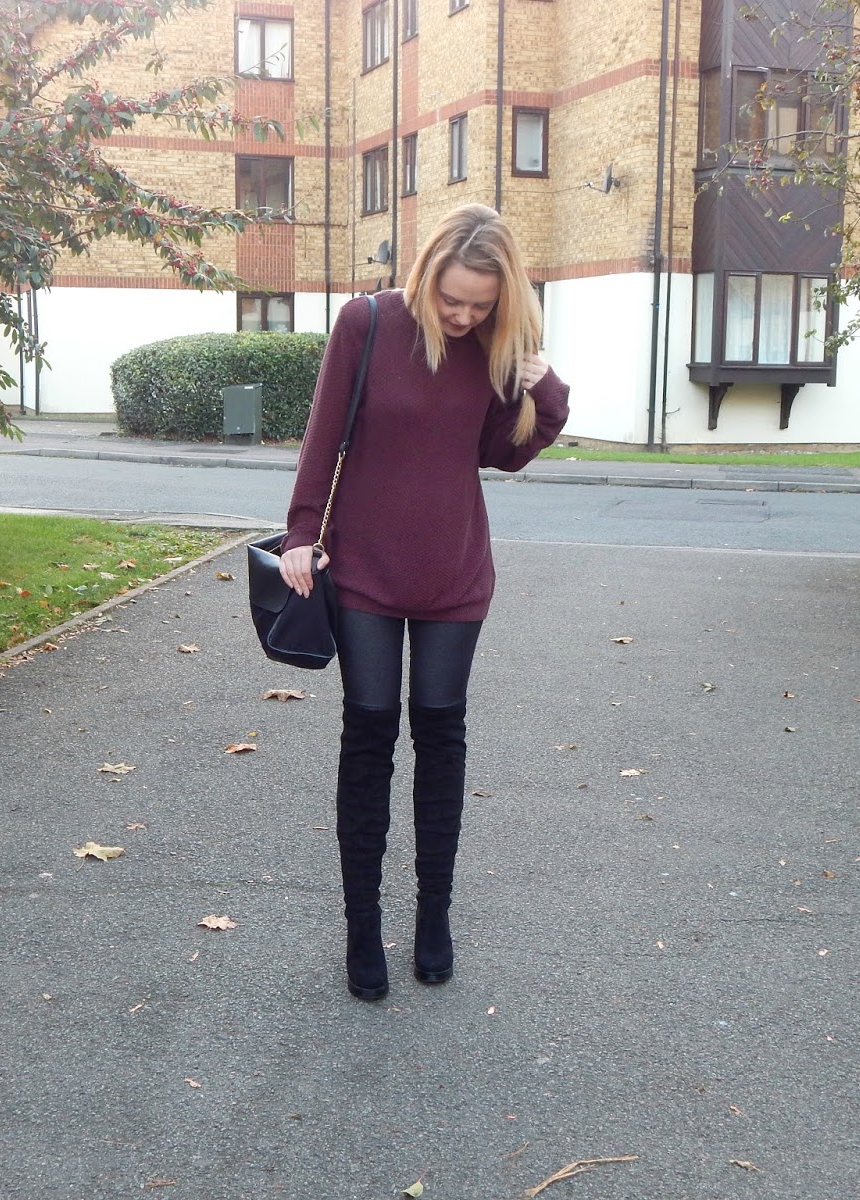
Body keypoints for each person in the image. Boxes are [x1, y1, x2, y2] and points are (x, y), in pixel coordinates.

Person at [277, 203, 571, 1001]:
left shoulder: (496, 346)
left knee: (441, 736)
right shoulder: (367, 323)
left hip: (454, 570)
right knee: (370, 733)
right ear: (428, 271)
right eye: (452, 298)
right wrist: (301, 532)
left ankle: (433, 917)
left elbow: (500, 454)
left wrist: (546, 395)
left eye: (481, 304)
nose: (464, 315)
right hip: (364, 567)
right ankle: (362, 927)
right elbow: (323, 435)